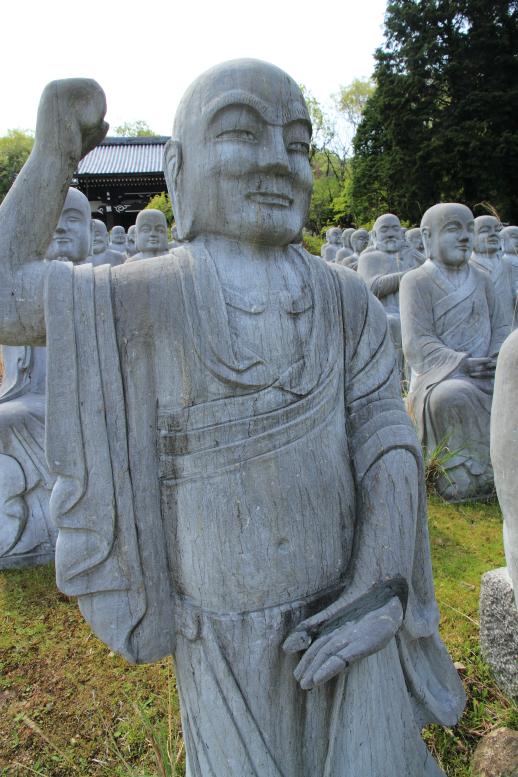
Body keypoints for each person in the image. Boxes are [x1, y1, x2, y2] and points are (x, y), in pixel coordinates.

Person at [0, 66, 464, 777]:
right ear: (179, 170)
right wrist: (53, 155)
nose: (279, 161)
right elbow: (7, 298)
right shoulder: (153, 292)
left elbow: (386, 437)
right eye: (243, 133)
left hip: (349, 612)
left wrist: (378, 585)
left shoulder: (345, 300)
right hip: (219, 635)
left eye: (298, 143)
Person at [401, 203, 508, 502]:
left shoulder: (483, 279)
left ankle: (506, 463)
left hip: (488, 373)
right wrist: (462, 364)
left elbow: (501, 326)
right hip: (441, 377)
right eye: (453, 229)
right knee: (450, 396)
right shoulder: (415, 281)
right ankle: (463, 470)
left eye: (469, 230)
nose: (464, 237)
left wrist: (497, 358)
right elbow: (417, 342)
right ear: (427, 237)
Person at [358, 213, 422, 375]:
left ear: (401, 233)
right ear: (374, 235)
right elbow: (371, 288)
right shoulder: (369, 258)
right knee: (394, 323)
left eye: (395, 229)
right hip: (385, 313)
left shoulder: (412, 254)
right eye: (384, 229)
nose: (391, 233)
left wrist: (417, 261)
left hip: (415, 312)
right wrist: (409, 274)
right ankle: (397, 377)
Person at [471, 215, 515, 334]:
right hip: (480, 330)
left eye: (497, 230)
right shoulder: (468, 266)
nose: (493, 234)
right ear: (471, 237)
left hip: (509, 325)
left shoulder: (508, 264)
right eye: (485, 230)